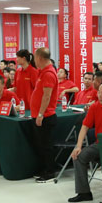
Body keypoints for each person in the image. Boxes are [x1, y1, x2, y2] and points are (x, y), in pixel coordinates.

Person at [31, 47, 59, 183]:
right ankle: (44, 168)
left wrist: (41, 114)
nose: (34, 61)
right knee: (41, 145)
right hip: (39, 114)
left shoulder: (48, 73)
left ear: (40, 58)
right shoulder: (42, 72)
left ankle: (50, 171)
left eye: (35, 58)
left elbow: (47, 96)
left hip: (46, 115)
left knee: (46, 145)